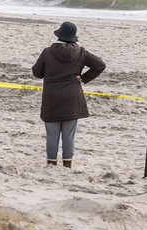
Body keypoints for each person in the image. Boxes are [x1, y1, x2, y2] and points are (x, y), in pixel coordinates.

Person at [31, 21, 105, 168]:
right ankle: (67, 164)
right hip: (72, 98)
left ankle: (51, 163)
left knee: (52, 134)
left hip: (52, 98)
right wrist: (84, 78)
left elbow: (36, 73)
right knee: (69, 135)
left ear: (59, 35)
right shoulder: (82, 52)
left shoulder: (47, 52)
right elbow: (100, 65)